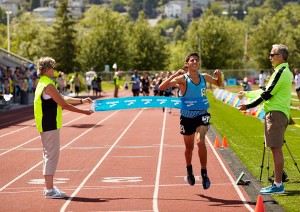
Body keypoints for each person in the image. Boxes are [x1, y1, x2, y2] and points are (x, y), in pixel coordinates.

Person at [159, 52, 222, 190]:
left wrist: (219, 76)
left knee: (201, 141)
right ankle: (189, 169)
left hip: (202, 114)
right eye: (192, 60)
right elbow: (162, 87)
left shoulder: (204, 77)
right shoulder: (182, 79)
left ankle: (204, 173)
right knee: (189, 149)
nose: (195, 62)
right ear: (187, 63)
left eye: (197, 60)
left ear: (199, 64)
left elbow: (218, 83)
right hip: (187, 116)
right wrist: (175, 74)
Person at [34, 57, 93, 198]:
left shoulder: (43, 83)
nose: (54, 70)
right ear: (47, 69)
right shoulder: (48, 85)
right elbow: (64, 104)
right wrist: (84, 112)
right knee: (51, 155)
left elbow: (61, 98)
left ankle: (49, 187)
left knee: (48, 155)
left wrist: (81, 101)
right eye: (53, 67)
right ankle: (49, 190)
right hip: (49, 124)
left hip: (45, 124)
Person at [237, 44, 293, 195]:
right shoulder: (280, 71)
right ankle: (278, 180)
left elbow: (267, 95)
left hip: (276, 114)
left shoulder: (282, 71)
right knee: (275, 148)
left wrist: (248, 106)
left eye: (272, 54)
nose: (270, 57)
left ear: (280, 56)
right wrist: (248, 94)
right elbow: (265, 90)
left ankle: (278, 184)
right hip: (275, 113)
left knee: (276, 148)